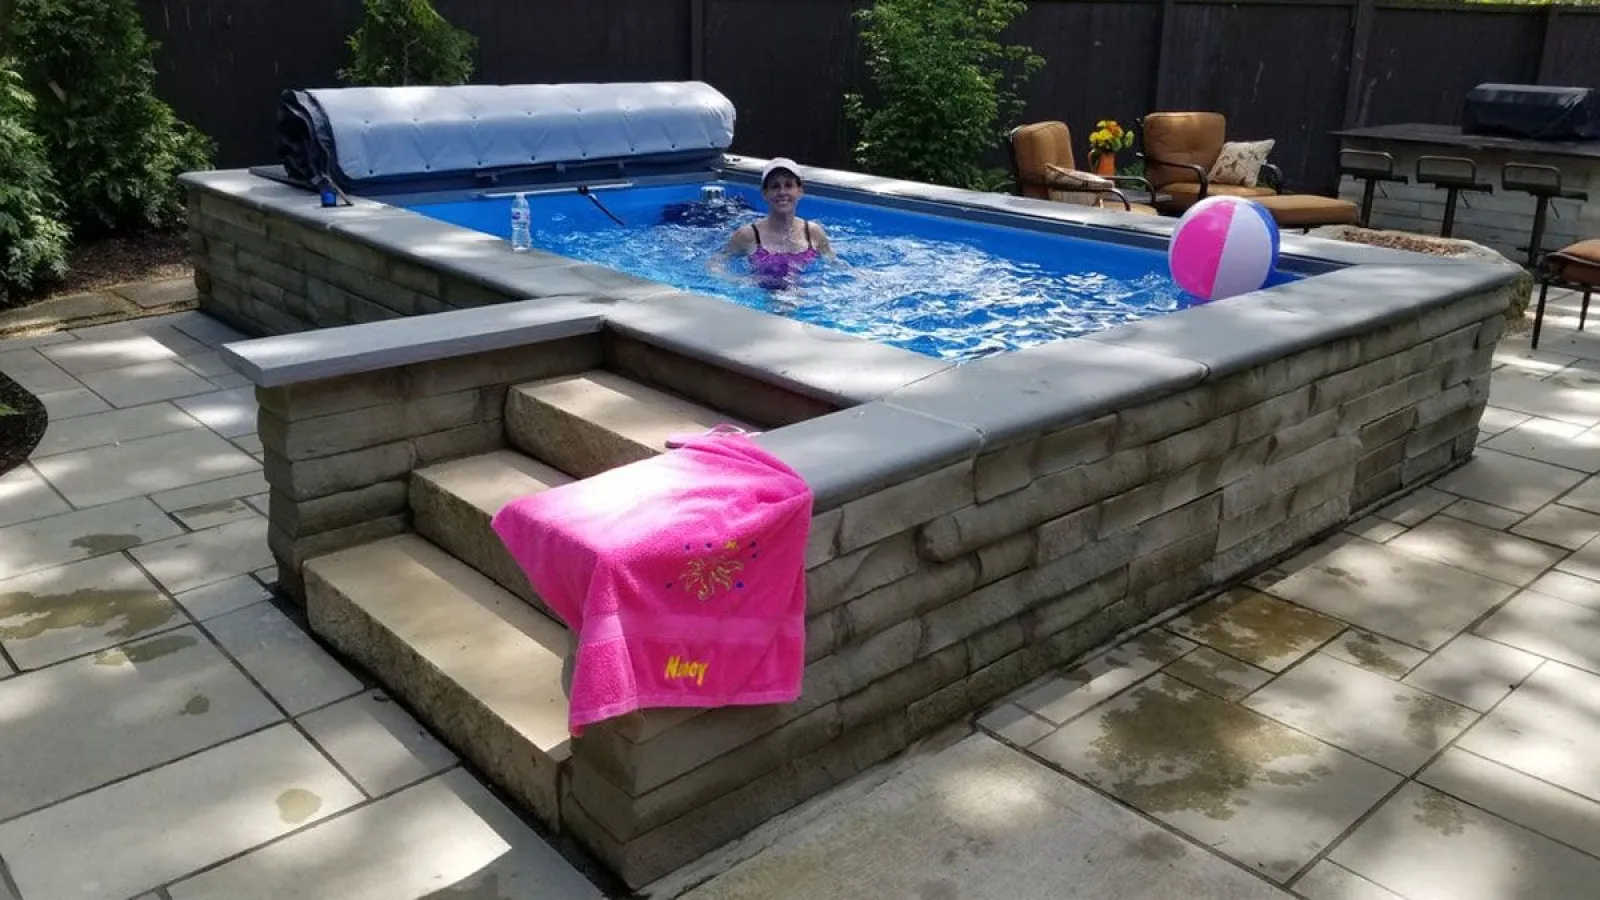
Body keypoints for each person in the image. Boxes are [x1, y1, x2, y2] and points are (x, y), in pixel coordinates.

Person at [711, 158, 838, 287]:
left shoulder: (813, 233)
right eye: (775, 186)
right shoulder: (748, 235)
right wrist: (739, 281)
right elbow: (715, 263)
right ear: (765, 193)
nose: (782, 192)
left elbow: (835, 266)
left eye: (788, 185)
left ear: (800, 191)